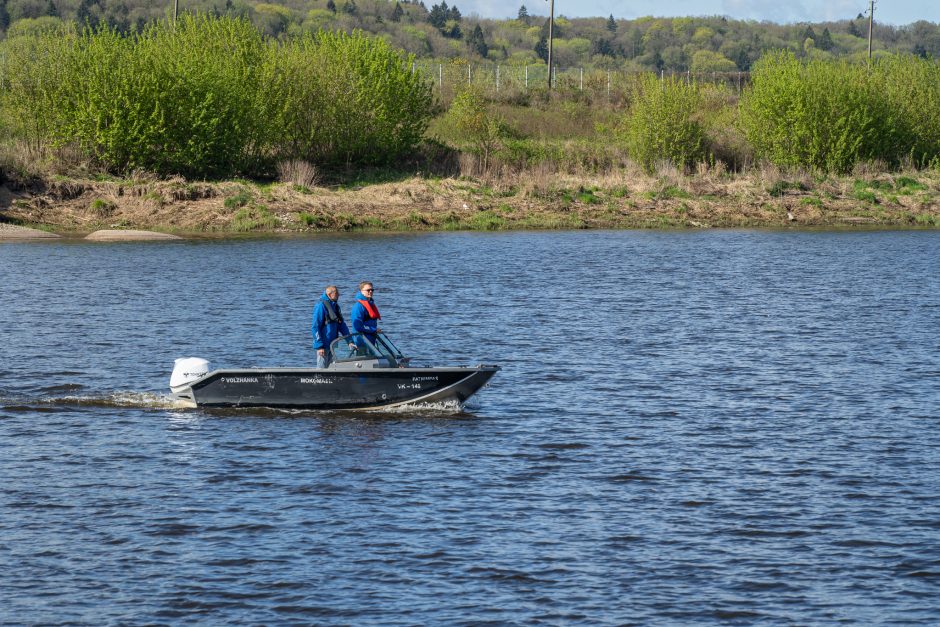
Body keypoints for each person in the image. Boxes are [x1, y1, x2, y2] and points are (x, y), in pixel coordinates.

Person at [312, 285, 351, 368]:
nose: (339, 295)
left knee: (330, 369)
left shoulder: (336, 307)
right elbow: (315, 327)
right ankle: (317, 381)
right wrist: (319, 346)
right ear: (329, 295)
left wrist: (349, 341)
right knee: (321, 369)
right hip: (323, 346)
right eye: (336, 293)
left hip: (333, 346)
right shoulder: (320, 306)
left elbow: (342, 325)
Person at [350, 281, 382, 349]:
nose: (370, 291)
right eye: (368, 290)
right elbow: (358, 326)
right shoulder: (358, 306)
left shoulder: (371, 304)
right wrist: (374, 330)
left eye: (372, 290)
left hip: (371, 339)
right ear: (362, 291)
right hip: (361, 341)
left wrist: (374, 331)